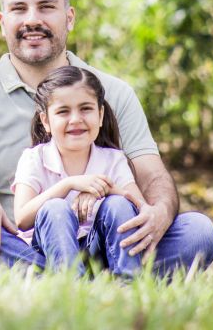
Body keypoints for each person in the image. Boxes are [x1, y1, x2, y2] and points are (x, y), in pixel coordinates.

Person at [0, 0, 213, 275]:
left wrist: (158, 211)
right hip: (21, 245)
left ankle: (83, 279)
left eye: (46, 7)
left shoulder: (113, 92)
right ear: (3, 21)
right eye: (19, 9)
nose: (32, 20)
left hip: (109, 241)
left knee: (198, 231)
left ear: (69, 17)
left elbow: (153, 178)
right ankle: (85, 282)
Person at [13, 65, 145, 278]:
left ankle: (128, 281)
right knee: (55, 207)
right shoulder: (34, 158)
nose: (75, 119)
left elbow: (140, 208)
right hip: (47, 252)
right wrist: (68, 184)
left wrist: (105, 189)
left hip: (100, 252)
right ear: (45, 121)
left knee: (120, 203)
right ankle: (71, 283)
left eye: (85, 109)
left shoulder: (113, 159)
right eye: (63, 111)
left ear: (100, 115)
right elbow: (22, 218)